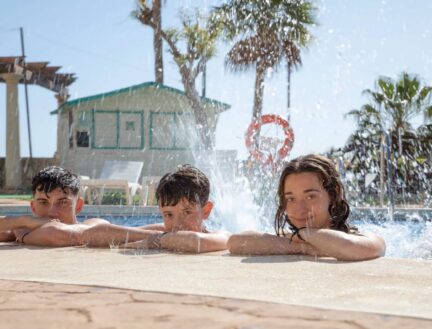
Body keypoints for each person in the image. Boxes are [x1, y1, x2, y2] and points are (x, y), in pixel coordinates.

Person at [227, 154, 386, 261]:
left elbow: (361, 249)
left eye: (310, 196)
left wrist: (304, 235)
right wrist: (303, 246)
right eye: (291, 198)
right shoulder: (295, 238)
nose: (299, 208)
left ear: (333, 194)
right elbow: (236, 242)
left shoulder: (359, 236)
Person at [122, 164, 230, 253]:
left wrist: (155, 241)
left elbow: (194, 241)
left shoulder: (220, 236)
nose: (178, 224)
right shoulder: (161, 230)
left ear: (206, 211)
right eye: (169, 215)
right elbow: (107, 232)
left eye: (187, 212)